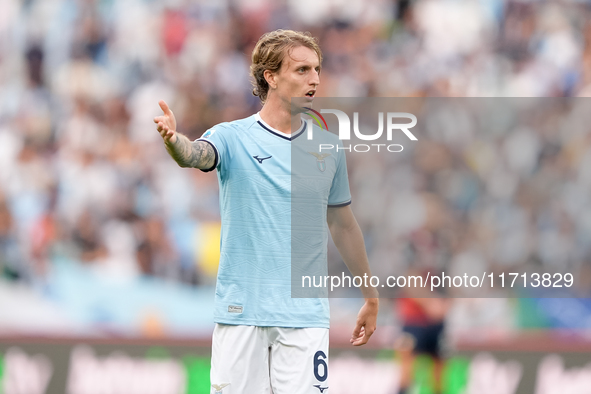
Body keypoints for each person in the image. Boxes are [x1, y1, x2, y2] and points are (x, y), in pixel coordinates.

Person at [154, 29, 378, 394]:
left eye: (317, 69)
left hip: (305, 318)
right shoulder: (232, 136)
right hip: (242, 315)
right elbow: (195, 155)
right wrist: (173, 140)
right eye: (302, 70)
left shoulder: (328, 148)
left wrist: (370, 295)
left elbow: (344, 226)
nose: (315, 79)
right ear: (270, 77)